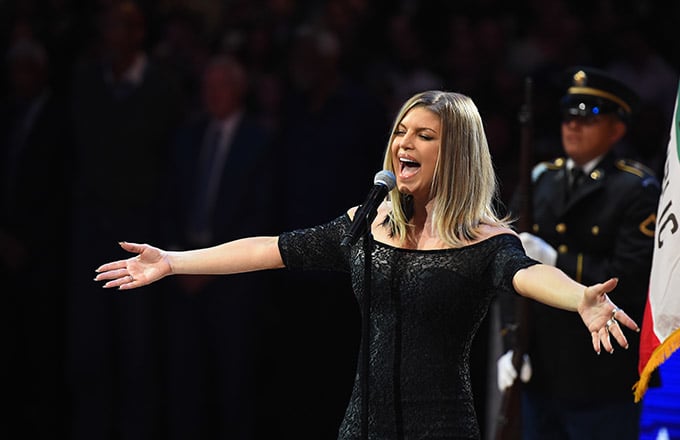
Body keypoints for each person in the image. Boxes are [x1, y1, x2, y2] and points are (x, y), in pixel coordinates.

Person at [95, 90, 639, 440]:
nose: (405, 143)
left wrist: (581, 297)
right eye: (401, 131)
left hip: (440, 426)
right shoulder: (371, 222)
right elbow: (271, 249)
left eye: (425, 135)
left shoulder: (481, 238)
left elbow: (526, 272)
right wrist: (172, 261)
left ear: (456, 155)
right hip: (362, 425)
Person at [497, 67, 660, 439]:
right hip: (540, 366)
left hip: (602, 374)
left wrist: (556, 263)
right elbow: (507, 269)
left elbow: (631, 277)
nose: (573, 126)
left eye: (589, 118)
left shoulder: (636, 190)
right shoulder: (541, 179)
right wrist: (509, 343)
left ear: (617, 130)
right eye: (569, 116)